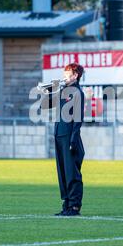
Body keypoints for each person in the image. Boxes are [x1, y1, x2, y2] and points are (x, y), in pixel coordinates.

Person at [42, 63, 85, 216]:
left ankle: (74, 206)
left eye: (68, 73)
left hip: (70, 138)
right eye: (64, 73)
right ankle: (66, 204)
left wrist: (73, 140)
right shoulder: (62, 91)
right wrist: (48, 92)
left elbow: (78, 119)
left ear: (75, 76)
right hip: (59, 135)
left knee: (72, 173)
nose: (64, 76)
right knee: (63, 173)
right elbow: (44, 106)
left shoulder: (78, 92)